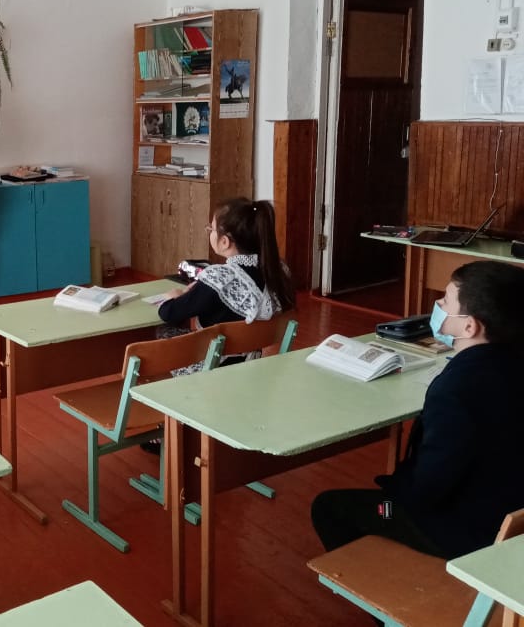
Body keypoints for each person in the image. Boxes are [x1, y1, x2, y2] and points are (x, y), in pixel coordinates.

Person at [311, 260, 524, 560]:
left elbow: (426, 490)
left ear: (469, 326)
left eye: (446, 300)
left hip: (463, 529)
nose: (438, 305)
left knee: (334, 507)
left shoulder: (456, 391)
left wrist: (393, 495)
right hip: (508, 514)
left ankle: (383, 579)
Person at [156, 197, 296, 363]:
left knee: (164, 330)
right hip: (250, 364)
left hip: (215, 365)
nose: (209, 232)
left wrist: (173, 297)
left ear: (224, 242)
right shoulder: (278, 270)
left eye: (211, 229)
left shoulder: (220, 278)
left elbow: (169, 313)